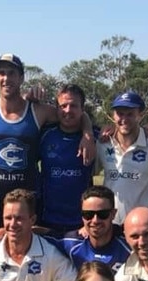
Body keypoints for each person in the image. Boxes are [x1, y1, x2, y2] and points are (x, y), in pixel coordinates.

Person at [0, 53, 96, 236]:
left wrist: (87, 134)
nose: (6, 78)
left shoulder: (39, 111)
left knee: (29, 255)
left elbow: (72, 113)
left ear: (21, 78)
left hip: (28, 200)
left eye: (12, 73)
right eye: (2, 73)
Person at [96, 91, 148, 224]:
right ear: (113, 115)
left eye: (130, 114)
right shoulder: (103, 143)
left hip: (145, 225)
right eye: (120, 114)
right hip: (112, 224)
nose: (124, 119)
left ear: (140, 115)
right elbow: (91, 173)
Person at [38, 84, 95, 237]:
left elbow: (122, 133)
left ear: (83, 109)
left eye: (74, 106)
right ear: (56, 109)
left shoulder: (95, 137)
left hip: (83, 223)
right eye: (63, 106)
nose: (68, 110)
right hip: (47, 221)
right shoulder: (44, 135)